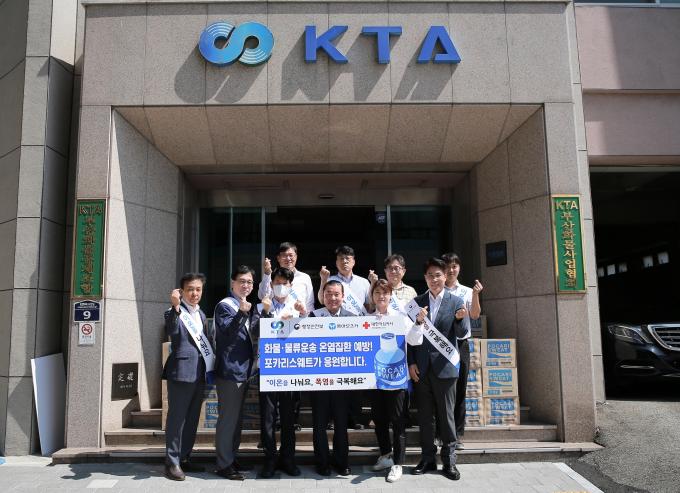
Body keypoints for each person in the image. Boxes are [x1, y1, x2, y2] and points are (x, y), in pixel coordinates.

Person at [408, 258, 470, 481]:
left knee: (446, 416)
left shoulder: (456, 302)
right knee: (425, 417)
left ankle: (449, 461)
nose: (434, 279)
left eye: (438, 275)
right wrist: (411, 362)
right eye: (430, 275)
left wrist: (461, 320)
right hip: (422, 369)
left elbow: (462, 334)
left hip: (446, 368)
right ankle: (427, 458)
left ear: (445, 276)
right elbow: (409, 337)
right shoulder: (416, 302)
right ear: (425, 278)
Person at [368, 279, 423, 483]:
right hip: (375, 380)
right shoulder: (367, 319)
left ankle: (398, 463)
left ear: (391, 296)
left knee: (398, 421)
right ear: (372, 296)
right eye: (377, 293)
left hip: (397, 379)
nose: (381, 296)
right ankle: (385, 456)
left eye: (385, 293)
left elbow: (415, 340)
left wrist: (418, 323)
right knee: (379, 420)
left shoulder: (400, 319)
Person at [162, 273, 214, 481]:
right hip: (181, 372)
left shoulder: (201, 314)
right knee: (177, 419)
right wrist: (175, 307)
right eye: (190, 289)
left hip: (199, 373)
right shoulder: (173, 312)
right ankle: (171, 462)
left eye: (198, 289)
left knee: (192, 419)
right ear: (181, 291)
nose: (194, 293)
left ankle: (184, 457)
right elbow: (173, 331)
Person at [257, 267, 307, 478]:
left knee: (288, 417)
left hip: (290, 370)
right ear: (271, 284)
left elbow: (309, 337)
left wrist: (301, 316)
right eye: (277, 282)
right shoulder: (261, 306)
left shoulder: (297, 307)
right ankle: (270, 459)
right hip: (268, 369)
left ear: (290, 285)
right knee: (268, 417)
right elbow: (254, 331)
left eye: (285, 283)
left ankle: (288, 458)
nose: (281, 286)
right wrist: (268, 314)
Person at [213, 266, 259, 480]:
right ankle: (223, 464)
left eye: (249, 282)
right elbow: (227, 333)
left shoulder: (246, 306)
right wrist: (241, 312)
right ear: (233, 283)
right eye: (242, 281)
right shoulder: (225, 305)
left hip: (243, 370)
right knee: (228, 420)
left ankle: (231, 457)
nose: (246, 285)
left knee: (236, 420)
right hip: (230, 371)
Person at [318, 246, 372, 429]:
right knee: (333, 378)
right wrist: (323, 280)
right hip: (331, 333)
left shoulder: (364, 282)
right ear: (336, 262)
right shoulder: (330, 280)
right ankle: (334, 418)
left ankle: (354, 418)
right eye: (341, 258)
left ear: (354, 261)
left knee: (354, 378)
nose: (345, 261)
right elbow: (321, 301)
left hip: (355, 334)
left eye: (348, 258)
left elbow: (370, 306)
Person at [309, 280, 355, 476]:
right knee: (319, 424)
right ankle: (322, 462)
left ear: (343, 297)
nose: (332, 298)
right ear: (323, 296)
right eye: (328, 294)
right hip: (319, 381)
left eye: (336, 294)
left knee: (341, 424)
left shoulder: (352, 318)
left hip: (342, 382)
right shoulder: (314, 316)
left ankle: (341, 461)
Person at [441, 252, 482, 448]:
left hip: (461, 344)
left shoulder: (466, 291)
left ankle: (457, 435)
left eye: (454, 266)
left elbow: (475, 315)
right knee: (441, 390)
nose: (451, 270)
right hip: (440, 345)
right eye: (447, 266)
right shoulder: (436, 289)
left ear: (459, 268)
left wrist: (475, 295)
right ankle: (441, 433)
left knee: (460, 389)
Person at [259, 242, 315, 313]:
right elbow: (262, 296)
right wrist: (267, 274)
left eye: (291, 255)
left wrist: (306, 316)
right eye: (284, 255)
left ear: (296, 257)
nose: (288, 258)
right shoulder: (271, 277)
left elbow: (310, 304)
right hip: (274, 317)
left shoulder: (305, 278)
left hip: (299, 318)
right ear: (278, 258)